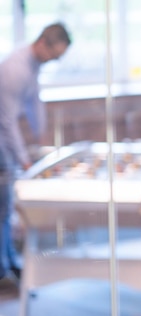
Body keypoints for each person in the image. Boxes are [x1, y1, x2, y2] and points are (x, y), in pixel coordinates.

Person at [0, 23, 71, 281]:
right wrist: (23, 160)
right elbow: (6, 121)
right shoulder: (15, 69)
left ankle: (8, 263)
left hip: (6, 142)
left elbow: (34, 103)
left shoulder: (33, 66)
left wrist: (41, 141)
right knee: (2, 207)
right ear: (43, 43)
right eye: (53, 55)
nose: (53, 60)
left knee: (5, 207)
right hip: (2, 143)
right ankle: (3, 268)